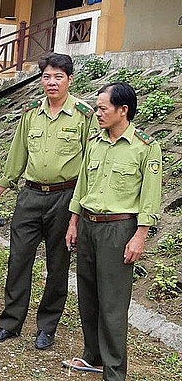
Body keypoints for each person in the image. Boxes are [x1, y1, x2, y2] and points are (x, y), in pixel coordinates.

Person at [0, 53, 97, 350]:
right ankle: (10, 323)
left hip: (66, 197)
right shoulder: (31, 113)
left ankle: (47, 326)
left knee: (58, 265)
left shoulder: (85, 115)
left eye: (58, 77)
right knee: (18, 260)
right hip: (30, 196)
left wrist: (82, 205)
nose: (52, 82)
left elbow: (92, 161)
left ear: (69, 80)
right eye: (47, 76)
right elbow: (18, 153)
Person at [62, 82, 162, 380]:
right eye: (96, 108)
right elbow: (83, 185)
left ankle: (114, 371)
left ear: (123, 110)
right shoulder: (95, 142)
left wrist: (140, 235)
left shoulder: (145, 147)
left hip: (119, 230)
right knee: (88, 298)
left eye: (103, 109)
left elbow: (150, 197)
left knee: (112, 304)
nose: (97, 113)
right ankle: (92, 355)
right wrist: (73, 221)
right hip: (89, 226)